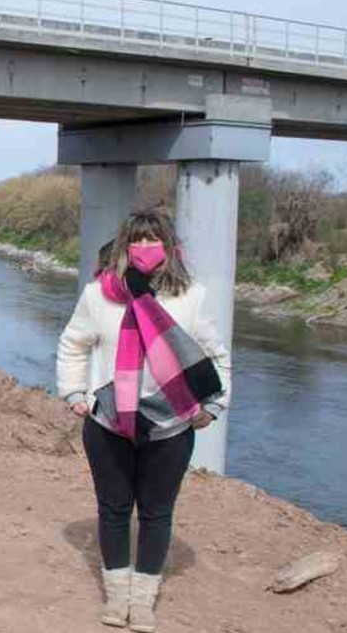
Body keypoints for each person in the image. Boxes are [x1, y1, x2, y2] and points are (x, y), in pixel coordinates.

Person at [56, 210, 230, 632]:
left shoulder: (191, 297)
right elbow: (73, 344)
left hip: (171, 427)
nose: (146, 247)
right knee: (114, 510)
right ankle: (117, 598)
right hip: (108, 424)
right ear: (124, 246)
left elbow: (217, 356)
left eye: (154, 239)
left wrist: (214, 406)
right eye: (139, 239)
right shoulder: (98, 295)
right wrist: (75, 393)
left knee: (156, 514)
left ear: (169, 247)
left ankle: (143, 601)